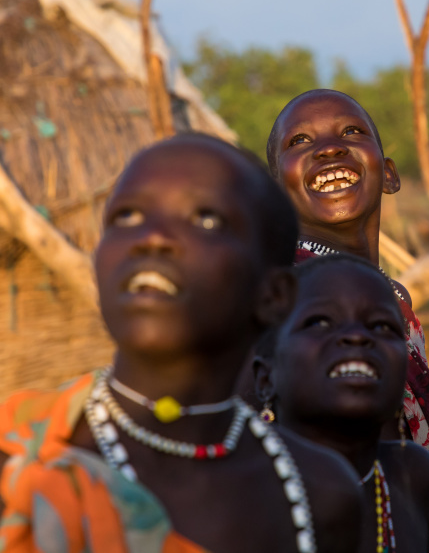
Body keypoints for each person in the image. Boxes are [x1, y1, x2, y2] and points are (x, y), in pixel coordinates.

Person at [0, 133, 363, 553]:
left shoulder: (320, 492)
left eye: (206, 219)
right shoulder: (18, 459)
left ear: (274, 295)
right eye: (127, 216)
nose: (151, 237)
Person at [266, 89, 429, 544]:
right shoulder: (285, 297)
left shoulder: (390, 297)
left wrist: (420, 509)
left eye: (352, 132)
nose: (329, 147)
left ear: (390, 174)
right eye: (299, 141)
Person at [255, 254, 429, 553]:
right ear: (265, 376)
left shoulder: (411, 477)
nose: (358, 336)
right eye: (320, 321)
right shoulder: (232, 494)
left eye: (382, 326)